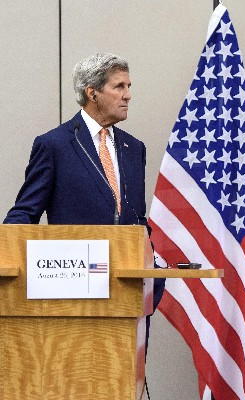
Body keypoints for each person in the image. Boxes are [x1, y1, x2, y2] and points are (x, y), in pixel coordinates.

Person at [4, 52, 165, 313]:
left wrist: (151, 261)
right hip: (75, 287)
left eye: (129, 87)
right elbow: (25, 211)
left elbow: (137, 217)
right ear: (92, 93)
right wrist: (7, 252)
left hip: (128, 288)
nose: (128, 95)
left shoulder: (134, 148)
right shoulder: (54, 145)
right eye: (119, 87)